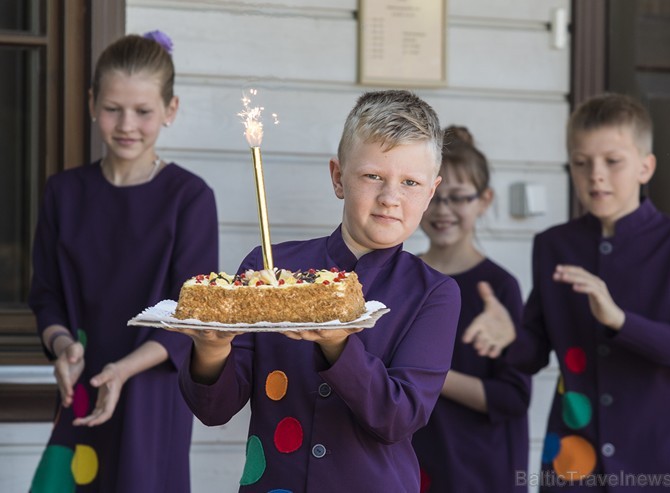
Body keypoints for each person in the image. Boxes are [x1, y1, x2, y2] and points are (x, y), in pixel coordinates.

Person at [175, 90, 461, 492]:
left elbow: (398, 418)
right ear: (338, 177)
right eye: (373, 176)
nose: (390, 198)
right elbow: (213, 410)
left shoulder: (435, 294)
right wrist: (211, 349)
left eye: (410, 182)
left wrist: (340, 346)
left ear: (430, 193)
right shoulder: (268, 270)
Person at [28, 32, 218, 493]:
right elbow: (46, 294)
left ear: (169, 111)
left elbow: (190, 313)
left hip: (152, 391)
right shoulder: (64, 193)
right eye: (113, 108)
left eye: (143, 111)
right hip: (82, 381)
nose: (126, 124)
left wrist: (124, 369)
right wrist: (61, 347)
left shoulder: (188, 198)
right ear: (93, 103)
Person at [503, 93, 670, 491]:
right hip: (575, 461)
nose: (595, 175)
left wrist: (619, 321)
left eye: (612, 161)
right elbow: (532, 352)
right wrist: (504, 335)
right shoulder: (554, 245)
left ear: (645, 166)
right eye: (581, 163)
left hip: (664, 458)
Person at [412, 126, 531, 493]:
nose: (444, 210)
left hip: (480, 468)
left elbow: (512, 397)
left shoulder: (499, 287)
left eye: (459, 198)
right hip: (412, 460)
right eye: (435, 196)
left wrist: (430, 375)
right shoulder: (401, 278)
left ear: (484, 200)